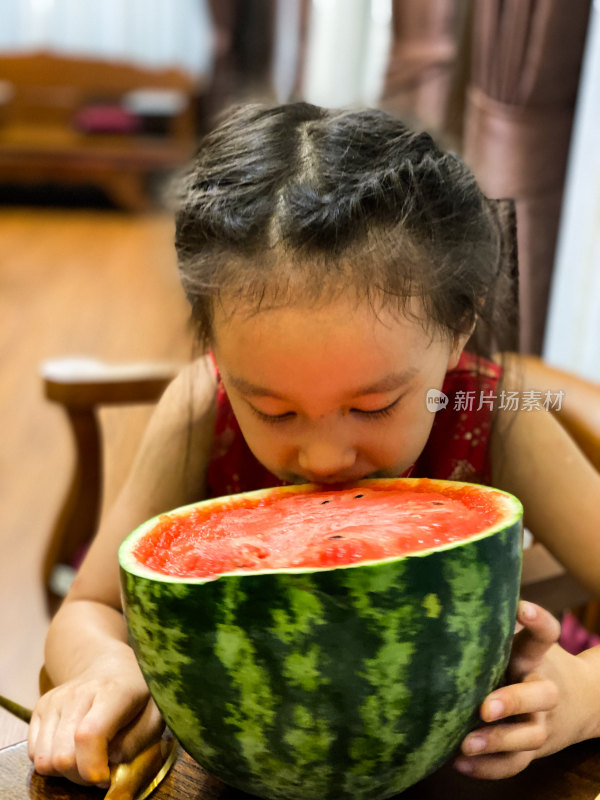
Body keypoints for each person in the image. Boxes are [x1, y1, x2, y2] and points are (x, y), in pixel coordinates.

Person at [29, 102, 600, 787]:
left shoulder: (496, 413)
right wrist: (103, 665)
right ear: (215, 345)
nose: (325, 459)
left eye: (373, 405)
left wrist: (586, 699)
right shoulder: (197, 411)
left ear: (458, 326)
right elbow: (88, 608)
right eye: (272, 409)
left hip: (483, 753)